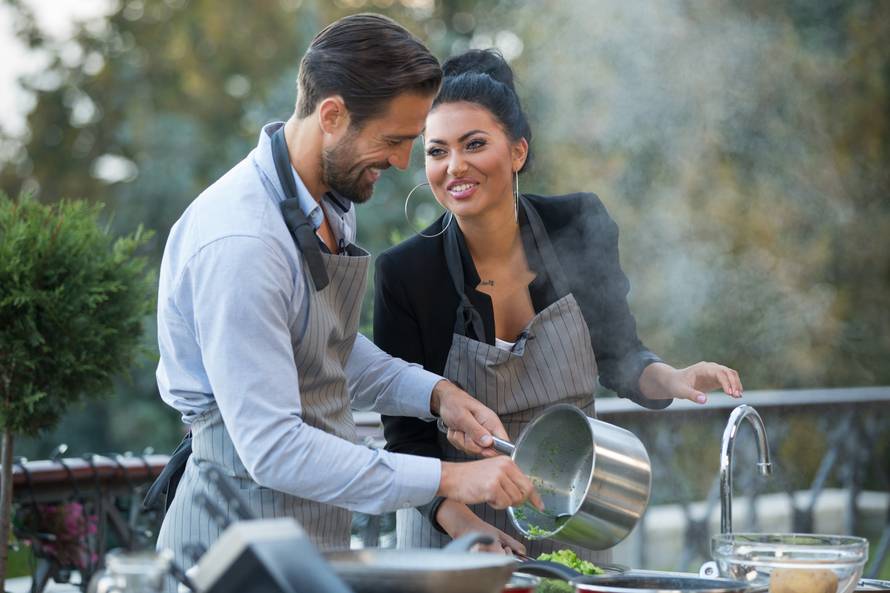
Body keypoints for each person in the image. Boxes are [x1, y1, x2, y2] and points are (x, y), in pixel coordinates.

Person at [152, 16, 544, 583]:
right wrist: (449, 478)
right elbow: (274, 450)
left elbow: (324, 345)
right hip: (231, 552)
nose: (403, 162)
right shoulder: (242, 244)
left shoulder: (328, 203)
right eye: (393, 140)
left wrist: (437, 395)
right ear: (332, 116)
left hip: (308, 544)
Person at [374, 49, 744, 561]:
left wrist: (672, 377)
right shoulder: (405, 272)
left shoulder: (577, 224)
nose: (455, 166)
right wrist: (469, 530)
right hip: (454, 530)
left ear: (517, 151)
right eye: (437, 151)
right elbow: (406, 440)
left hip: (571, 508)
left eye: (474, 144)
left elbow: (620, 355)